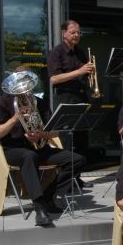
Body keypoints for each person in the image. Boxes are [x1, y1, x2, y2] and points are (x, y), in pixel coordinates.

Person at [0, 68, 86, 226]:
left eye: (27, 83)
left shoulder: (38, 102)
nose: (24, 87)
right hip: (12, 150)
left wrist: (41, 134)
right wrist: (15, 118)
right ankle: (39, 207)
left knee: (76, 160)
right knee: (29, 156)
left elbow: (55, 131)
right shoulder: (2, 103)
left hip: (39, 147)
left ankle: (48, 196)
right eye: (20, 83)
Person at [46, 19, 93, 188]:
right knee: (66, 140)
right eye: (73, 32)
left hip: (81, 98)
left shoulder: (80, 53)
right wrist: (79, 71)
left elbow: (85, 75)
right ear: (63, 33)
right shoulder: (56, 53)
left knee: (81, 140)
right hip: (65, 99)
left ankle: (76, 178)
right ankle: (65, 181)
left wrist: (90, 74)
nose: (76, 35)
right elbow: (54, 79)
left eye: (79, 32)